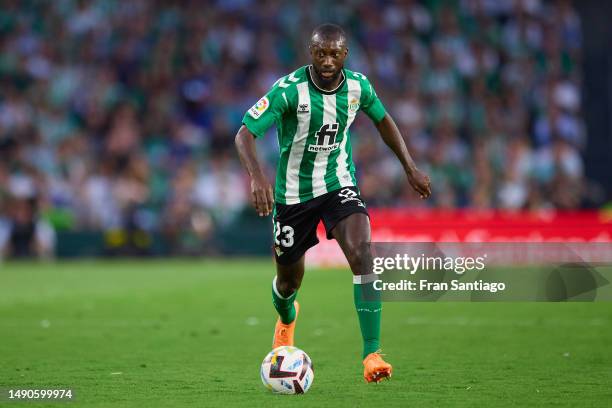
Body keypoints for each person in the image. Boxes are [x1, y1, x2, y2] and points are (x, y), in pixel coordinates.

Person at [235, 23, 431, 383]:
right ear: (311, 52)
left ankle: (371, 353)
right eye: (320, 52)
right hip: (292, 195)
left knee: (362, 253)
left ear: (345, 55)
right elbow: (245, 133)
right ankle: (287, 316)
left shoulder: (358, 86)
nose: (327, 60)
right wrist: (257, 176)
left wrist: (410, 166)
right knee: (289, 282)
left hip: (338, 183)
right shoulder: (289, 90)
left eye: (334, 53)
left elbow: (384, 120)